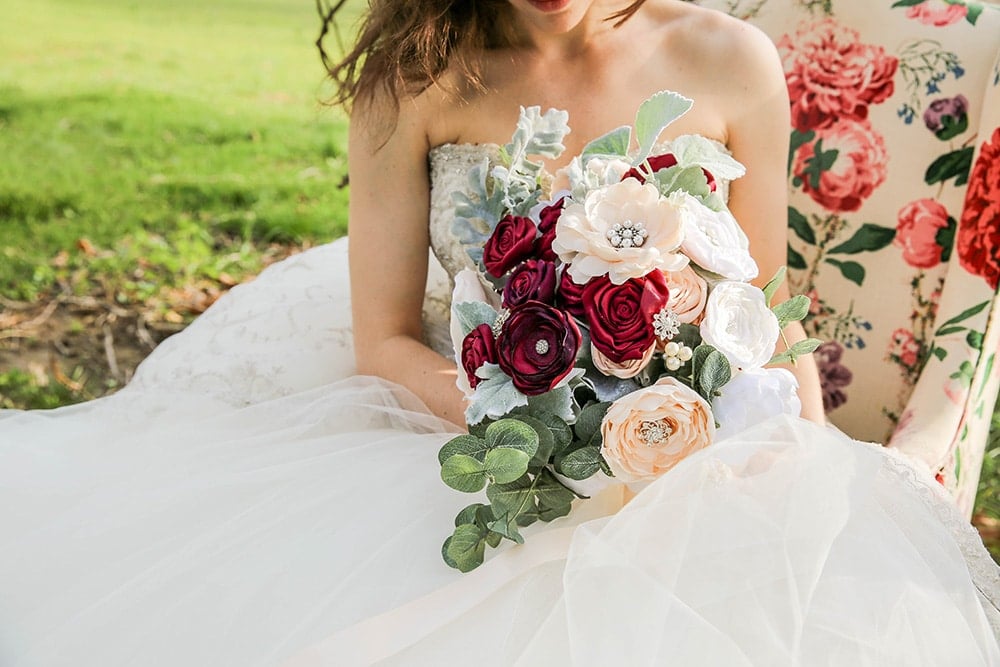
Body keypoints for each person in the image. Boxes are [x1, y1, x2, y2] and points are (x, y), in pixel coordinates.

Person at [0, 1, 996, 665]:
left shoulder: (726, 58)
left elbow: (768, 306)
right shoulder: (417, 75)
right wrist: (532, 429)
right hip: (478, 426)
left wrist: (802, 454)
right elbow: (385, 337)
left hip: (698, 446)